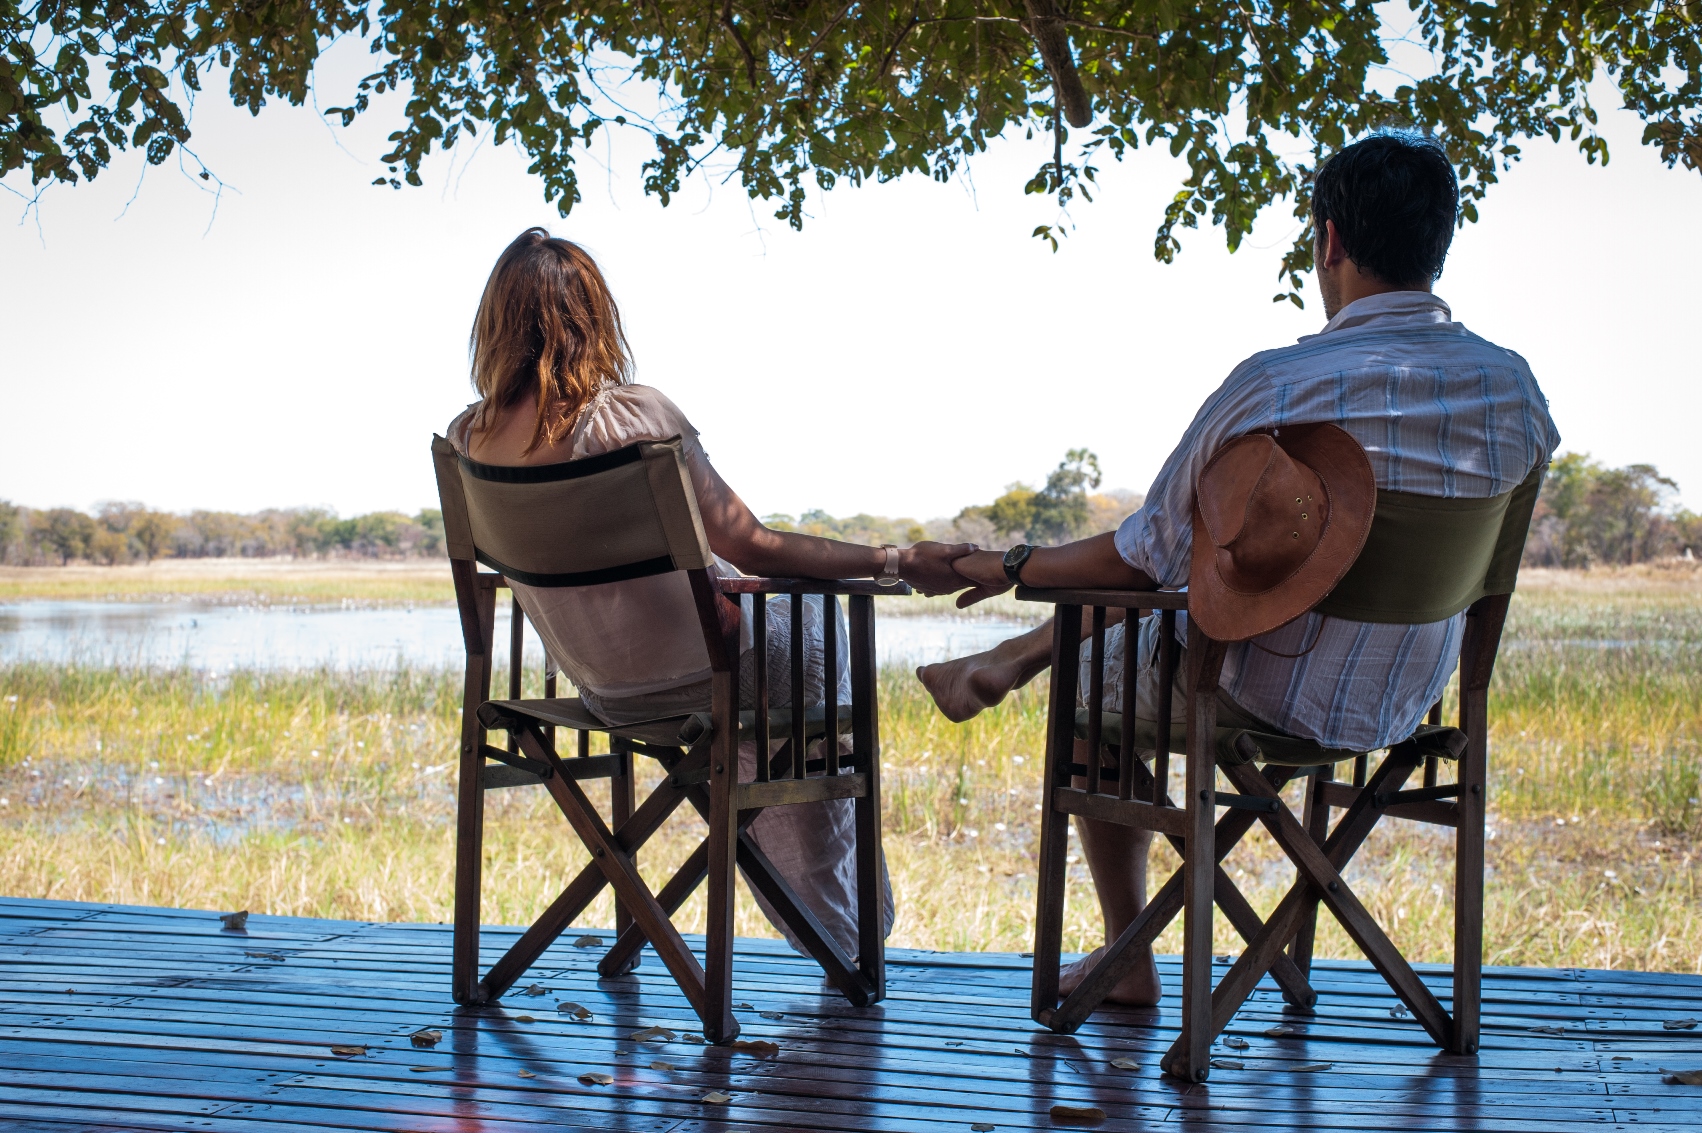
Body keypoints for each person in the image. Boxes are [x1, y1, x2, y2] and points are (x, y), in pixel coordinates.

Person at [919, 131, 1561, 1006]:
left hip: (1259, 690)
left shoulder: (1280, 384)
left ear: (1328, 240)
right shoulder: (1516, 390)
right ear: (1441, 243)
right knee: (1177, 604)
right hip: (1412, 697)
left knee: (1087, 691)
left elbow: (1147, 554)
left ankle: (1129, 957)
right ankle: (1005, 664)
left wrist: (1014, 562)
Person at [446, 228, 971, 960]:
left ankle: (824, 914)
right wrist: (894, 559)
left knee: (773, 708)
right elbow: (751, 545)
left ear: (494, 324)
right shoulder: (634, 419)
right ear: (595, 316)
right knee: (816, 635)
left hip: (603, 691)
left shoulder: (467, 441)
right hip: (707, 680)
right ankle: (844, 920)